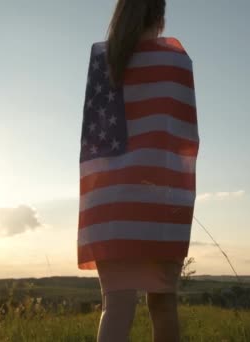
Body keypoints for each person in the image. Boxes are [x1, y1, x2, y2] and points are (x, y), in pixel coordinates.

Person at [77, 0, 199, 341]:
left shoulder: (104, 60)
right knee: (163, 306)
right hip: (160, 204)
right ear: (159, 16)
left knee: (115, 308)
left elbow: (94, 143)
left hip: (109, 207)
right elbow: (184, 139)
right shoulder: (176, 60)